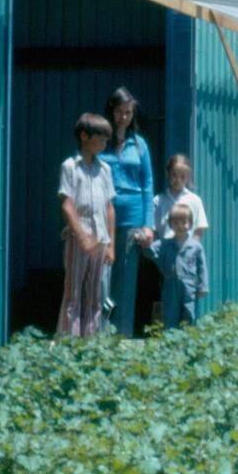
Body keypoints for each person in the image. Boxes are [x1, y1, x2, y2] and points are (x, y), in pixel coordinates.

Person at [99, 87, 155, 336]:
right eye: (119, 112)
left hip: (132, 217)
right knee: (102, 277)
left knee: (126, 280)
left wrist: (148, 225)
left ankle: (122, 335)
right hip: (103, 215)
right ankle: (100, 333)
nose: (123, 117)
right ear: (111, 111)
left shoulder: (139, 145)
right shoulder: (101, 142)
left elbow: (147, 185)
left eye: (128, 112)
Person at [56, 113, 115, 337]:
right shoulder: (70, 167)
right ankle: (68, 342)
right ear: (84, 136)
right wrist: (81, 236)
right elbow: (67, 205)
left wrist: (111, 245)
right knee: (73, 294)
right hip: (78, 240)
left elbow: (110, 209)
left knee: (95, 295)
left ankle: (91, 342)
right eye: (100, 139)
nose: (104, 144)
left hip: (100, 241)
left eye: (106, 140)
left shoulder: (105, 170)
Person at [143, 204, 209, 328]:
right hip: (170, 284)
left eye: (184, 222)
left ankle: (187, 339)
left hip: (189, 286)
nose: (180, 226)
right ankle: (170, 340)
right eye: (176, 223)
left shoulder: (196, 246)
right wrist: (143, 239)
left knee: (189, 313)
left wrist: (203, 287)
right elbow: (149, 251)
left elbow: (202, 268)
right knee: (169, 313)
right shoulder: (165, 244)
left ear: (190, 223)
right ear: (170, 224)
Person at [152, 154, 210, 241]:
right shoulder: (158, 201)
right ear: (168, 174)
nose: (178, 180)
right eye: (174, 175)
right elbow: (154, 230)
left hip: (187, 251)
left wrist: (190, 249)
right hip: (166, 251)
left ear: (188, 177)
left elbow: (199, 229)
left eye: (182, 176)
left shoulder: (195, 200)